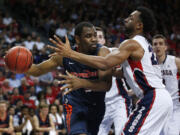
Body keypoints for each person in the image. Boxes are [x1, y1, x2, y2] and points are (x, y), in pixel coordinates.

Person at [48, 7, 173, 135]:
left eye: (130, 18)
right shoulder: (145, 44)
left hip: (153, 97)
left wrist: (71, 53)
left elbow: (105, 63)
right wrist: (112, 72)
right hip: (161, 98)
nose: (125, 20)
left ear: (139, 25)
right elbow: (127, 73)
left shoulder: (131, 44)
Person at [26, 22, 112, 135]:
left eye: (95, 35)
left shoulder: (103, 52)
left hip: (97, 106)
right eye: (88, 36)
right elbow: (38, 70)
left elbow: (106, 85)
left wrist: (82, 83)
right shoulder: (64, 55)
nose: (94, 39)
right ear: (77, 39)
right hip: (74, 103)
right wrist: (18, 66)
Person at [152, 34, 180, 135]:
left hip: (174, 106)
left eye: (160, 44)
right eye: (155, 44)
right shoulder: (149, 65)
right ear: (152, 48)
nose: (158, 46)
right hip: (158, 108)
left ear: (165, 47)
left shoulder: (175, 61)